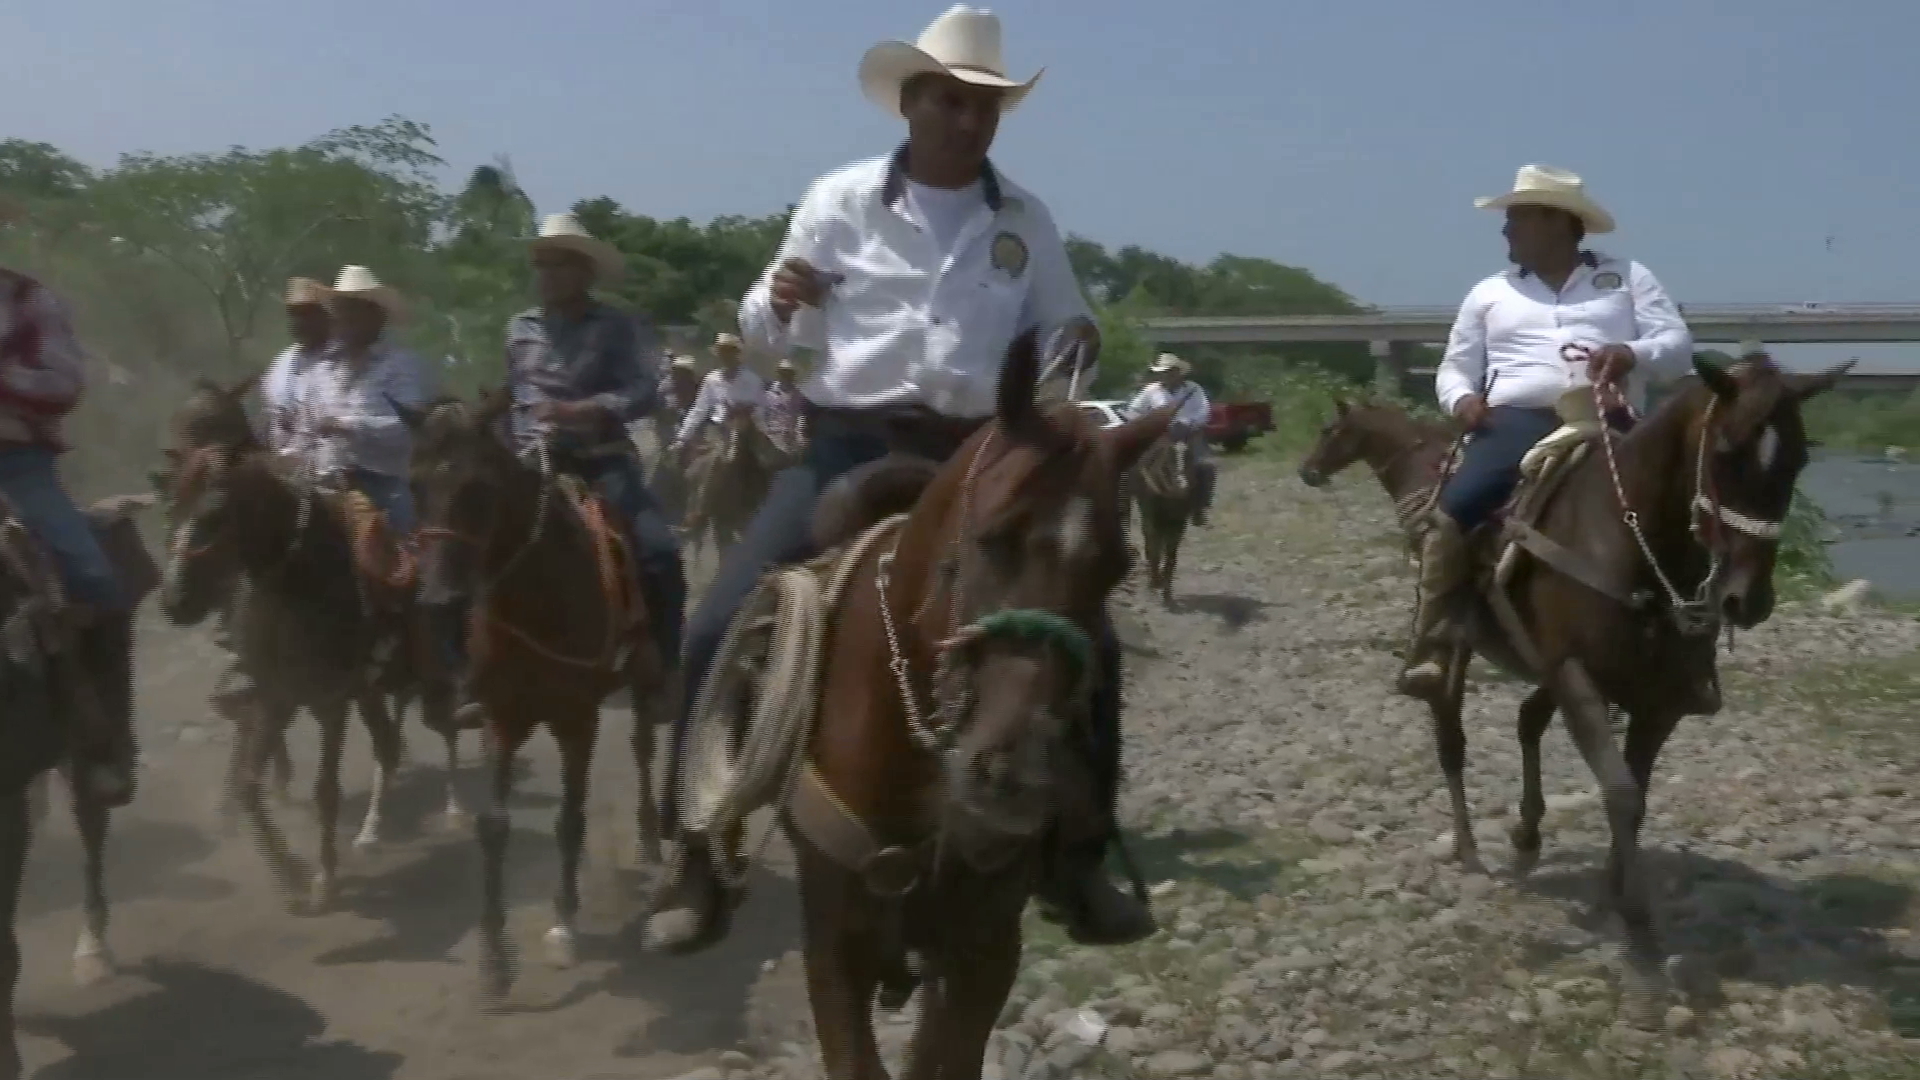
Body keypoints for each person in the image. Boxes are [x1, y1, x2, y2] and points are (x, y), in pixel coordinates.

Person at [645, 4, 1153, 955]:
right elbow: (762, 328)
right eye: (950, 101)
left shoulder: (1024, 220)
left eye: (984, 105)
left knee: (1092, 642)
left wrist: (1076, 343)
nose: (968, 119)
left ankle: (1079, 857)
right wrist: (776, 299)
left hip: (975, 457)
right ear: (911, 102)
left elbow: (1066, 322)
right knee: (717, 623)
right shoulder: (838, 200)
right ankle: (695, 848)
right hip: (845, 442)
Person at [1400, 165, 1692, 700]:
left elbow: (1675, 347)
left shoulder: (1629, 277)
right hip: (1515, 422)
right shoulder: (1489, 293)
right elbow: (1455, 365)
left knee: (1687, 508)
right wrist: (1462, 399)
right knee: (1451, 515)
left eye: (1516, 220)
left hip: (1612, 416)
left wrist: (1630, 352)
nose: (1506, 232)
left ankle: (1692, 651)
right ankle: (1434, 643)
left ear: (1557, 223)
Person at [438, 212, 684, 706]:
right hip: (529, 463)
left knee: (659, 551)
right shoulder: (519, 328)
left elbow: (645, 392)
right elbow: (516, 389)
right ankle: (467, 669)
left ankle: (661, 666)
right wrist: (481, 413)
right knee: (456, 543)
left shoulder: (619, 326)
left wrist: (583, 409)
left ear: (585, 272)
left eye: (558, 265)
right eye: (541, 265)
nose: (546, 275)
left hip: (600, 459)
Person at [0, 194, 136, 804]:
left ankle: (100, 739)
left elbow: (63, 378)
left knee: (91, 574)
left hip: (14, 462)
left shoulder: (28, 299)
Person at [283, 266, 429, 533]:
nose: (342, 317)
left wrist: (348, 425)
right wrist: (289, 457)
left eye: (352, 309)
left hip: (381, 485)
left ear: (376, 316)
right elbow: (307, 428)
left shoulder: (401, 366)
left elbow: (408, 429)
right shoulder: (322, 368)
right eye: (339, 308)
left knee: (405, 545)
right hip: (322, 485)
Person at [1127, 353, 1214, 525]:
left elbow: (1204, 412)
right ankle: (1130, 508)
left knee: (1205, 466)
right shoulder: (1150, 390)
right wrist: (1146, 424)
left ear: (1178, 372)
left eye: (1168, 371)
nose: (1165, 375)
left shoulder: (1193, 389)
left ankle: (1199, 508)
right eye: (1162, 372)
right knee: (1131, 467)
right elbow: (1133, 410)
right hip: (1159, 436)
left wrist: (1188, 422)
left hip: (1189, 434)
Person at [260, 277, 334, 451]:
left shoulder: (344, 359)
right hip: (282, 460)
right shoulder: (281, 363)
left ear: (327, 316)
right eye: (295, 313)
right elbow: (270, 415)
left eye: (308, 313)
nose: (300, 321)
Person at [670, 333, 765, 465]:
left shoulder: (752, 379)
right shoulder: (712, 379)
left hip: (748, 433)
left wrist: (748, 412)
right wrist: (682, 437)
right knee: (700, 467)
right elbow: (699, 409)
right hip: (720, 432)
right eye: (722, 353)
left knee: (764, 465)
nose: (725, 357)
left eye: (729, 352)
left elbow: (762, 409)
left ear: (737, 354)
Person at [758, 357, 806, 454]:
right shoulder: (768, 393)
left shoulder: (798, 394)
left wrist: (797, 433)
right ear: (778, 373)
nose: (786, 375)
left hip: (790, 437)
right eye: (783, 372)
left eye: (789, 373)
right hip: (770, 436)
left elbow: (800, 415)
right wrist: (765, 431)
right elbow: (760, 415)